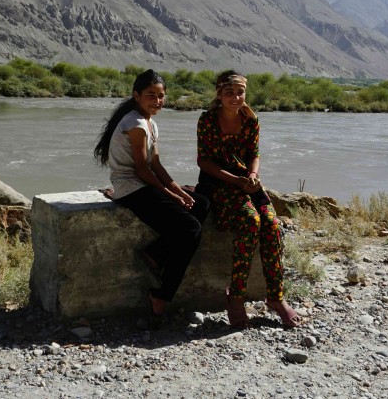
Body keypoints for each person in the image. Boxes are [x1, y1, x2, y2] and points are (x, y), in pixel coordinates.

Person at [94, 69, 209, 323]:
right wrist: (172, 195)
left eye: (161, 96)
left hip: (143, 184)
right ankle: (161, 295)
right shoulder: (135, 124)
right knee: (190, 228)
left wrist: (180, 191)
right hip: (130, 189)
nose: (157, 101)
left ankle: (156, 254)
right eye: (151, 95)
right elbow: (142, 171)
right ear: (136, 95)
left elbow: (156, 164)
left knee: (201, 203)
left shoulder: (150, 122)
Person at [195, 70, 301, 329]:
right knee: (251, 220)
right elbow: (204, 161)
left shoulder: (251, 120)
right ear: (219, 94)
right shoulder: (208, 120)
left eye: (240, 92)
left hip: (247, 182)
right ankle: (236, 297)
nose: (235, 97)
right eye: (229, 92)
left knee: (272, 224)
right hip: (218, 183)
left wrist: (253, 174)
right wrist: (235, 180)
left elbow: (254, 153)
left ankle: (276, 298)